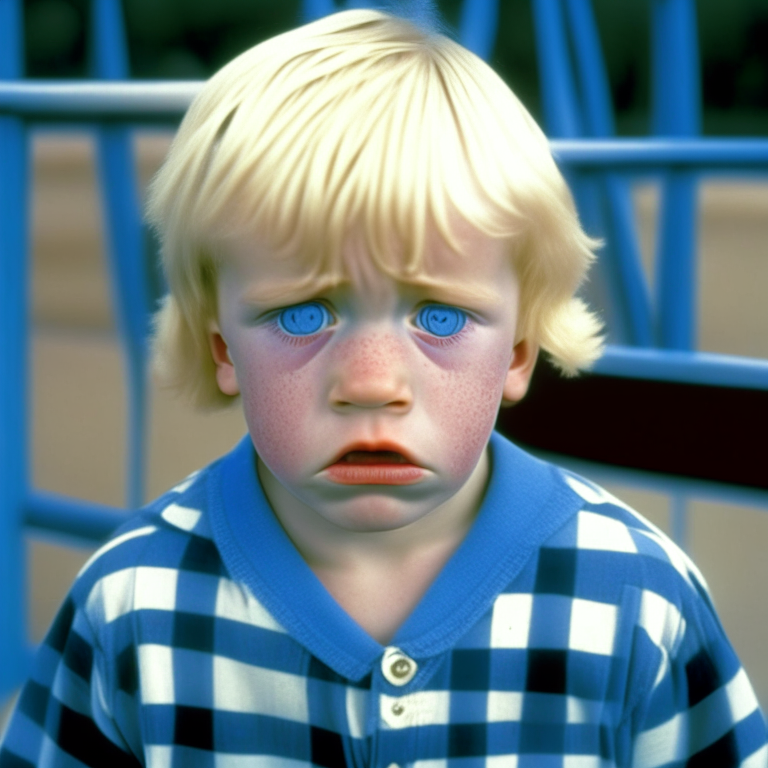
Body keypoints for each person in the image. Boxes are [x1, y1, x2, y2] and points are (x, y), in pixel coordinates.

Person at [2, 8, 766, 767]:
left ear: (519, 351)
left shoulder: (637, 600)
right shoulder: (132, 601)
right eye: (302, 314)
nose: (371, 384)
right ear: (222, 346)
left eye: (439, 315)